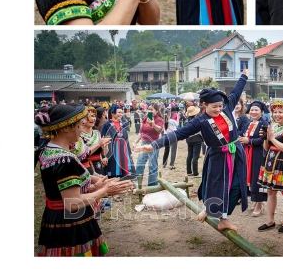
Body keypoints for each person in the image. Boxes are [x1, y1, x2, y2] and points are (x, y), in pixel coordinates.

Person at [136, 76, 251, 232]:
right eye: (214, 107)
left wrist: (244, 76)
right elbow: (178, 134)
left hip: (236, 153)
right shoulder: (200, 121)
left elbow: (237, 90)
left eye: (220, 106)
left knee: (236, 186)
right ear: (204, 105)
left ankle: (222, 217)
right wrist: (154, 145)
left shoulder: (227, 108)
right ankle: (213, 212)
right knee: (215, 186)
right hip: (218, 157)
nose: (218, 110)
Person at [35, 105, 134, 256]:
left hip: (56, 219)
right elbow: (73, 203)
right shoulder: (64, 160)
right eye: (79, 125)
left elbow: (61, 191)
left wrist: (95, 186)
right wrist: (105, 191)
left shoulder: (49, 151)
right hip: (70, 224)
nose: (82, 130)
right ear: (65, 128)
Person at [257, 100, 283, 232]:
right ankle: (270, 220)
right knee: (270, 191)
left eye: (280, 112)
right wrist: (266, 139)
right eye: (274, 112)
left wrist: (273, 138)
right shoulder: (272, 126)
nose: (277, 115)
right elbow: (267, 147)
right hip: (270, 161)